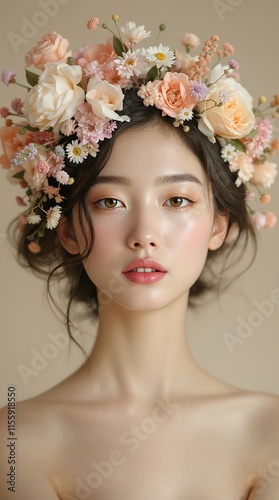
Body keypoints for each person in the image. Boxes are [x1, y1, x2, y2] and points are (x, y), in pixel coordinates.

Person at [0, 15, 279, 500]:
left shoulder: (270, 433)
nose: (145, 235)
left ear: (219, 225)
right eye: (110, 202)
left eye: (177, 201)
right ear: (66, 228)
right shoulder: (13, 443)